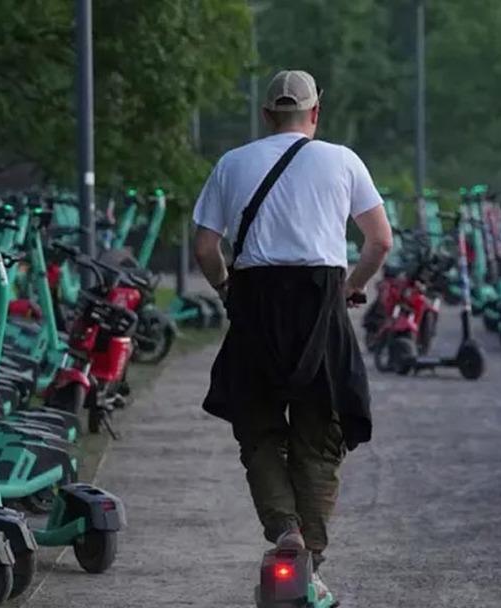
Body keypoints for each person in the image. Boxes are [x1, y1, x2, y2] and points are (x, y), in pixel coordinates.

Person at [192, 69, 393, 599]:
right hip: (320, 305)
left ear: (266, 115)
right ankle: (311, 566)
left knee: (258, 429)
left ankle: (285, 529)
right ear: (315, 112)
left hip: (255, 305)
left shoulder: (232, 163)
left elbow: (206, 248)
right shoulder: (343, 160)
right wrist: (352, 287)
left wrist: (226, 290)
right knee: (320, 436)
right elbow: (379, 241)